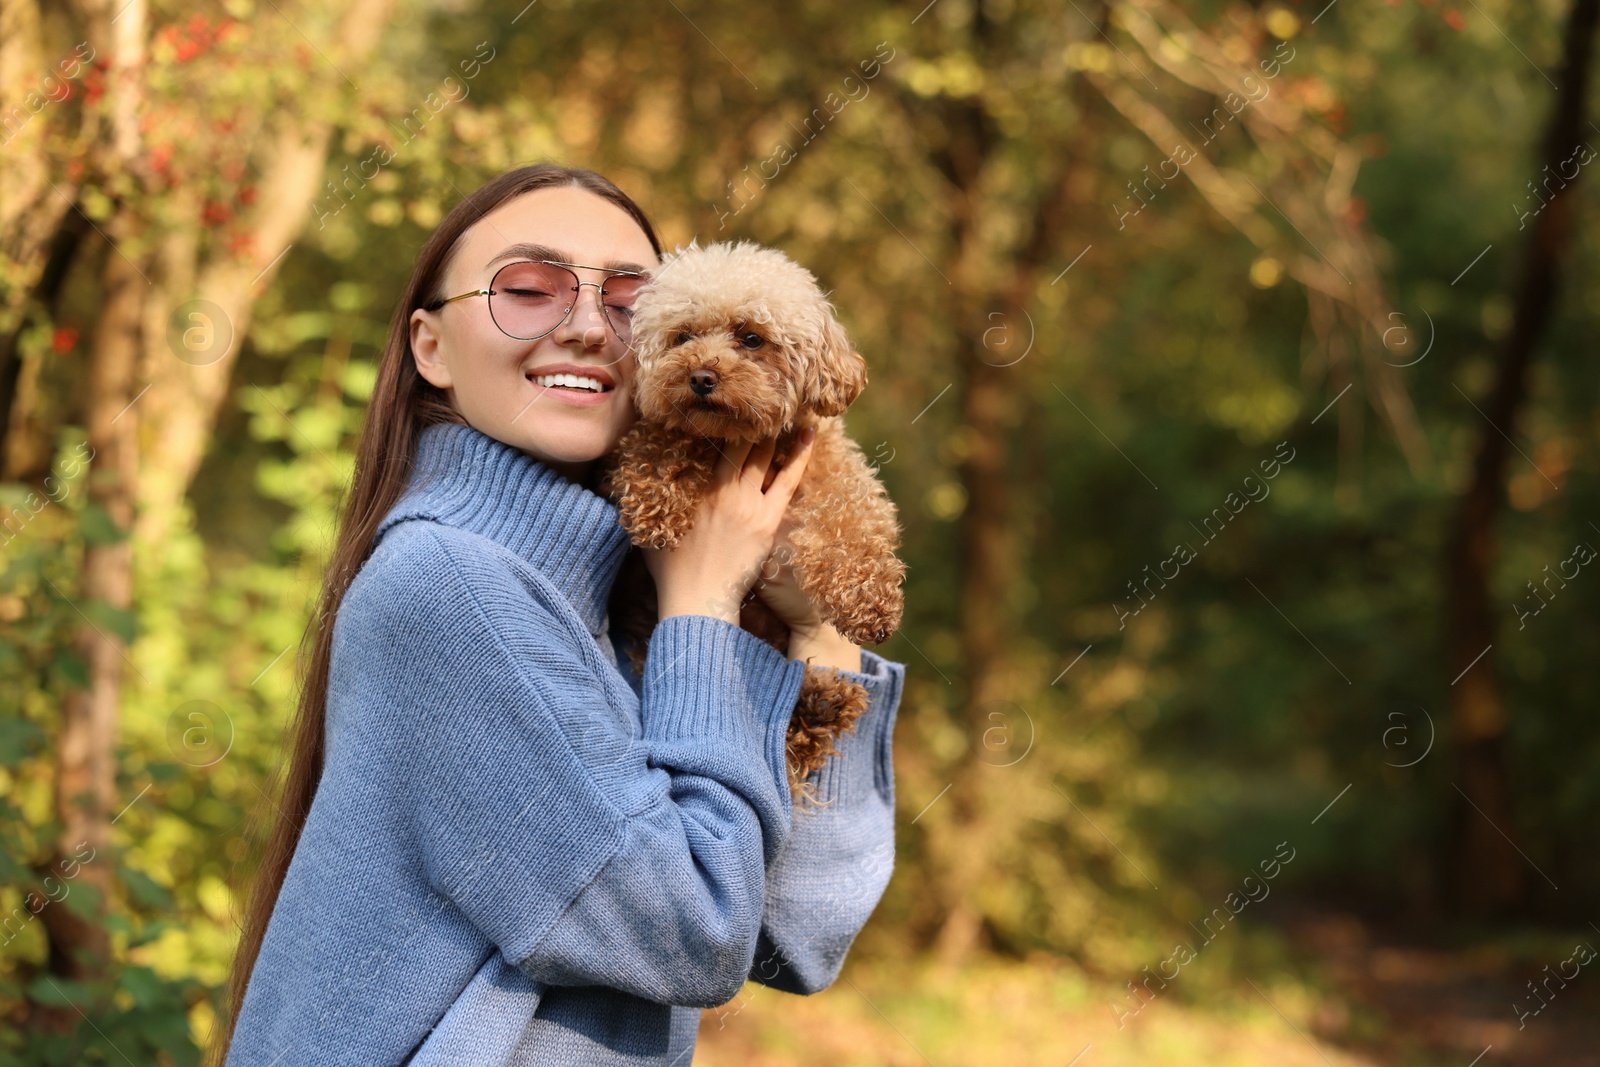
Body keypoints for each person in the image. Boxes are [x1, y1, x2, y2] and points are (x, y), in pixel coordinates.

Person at [214, 163, 905, 1066]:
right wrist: (703, 602)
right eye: (529, 290)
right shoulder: (448, 587)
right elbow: (693, 934)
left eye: (626, 300)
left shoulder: (607, 598)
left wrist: (814, 632)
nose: (585, 324)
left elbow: (794, 936)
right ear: (429, 348)